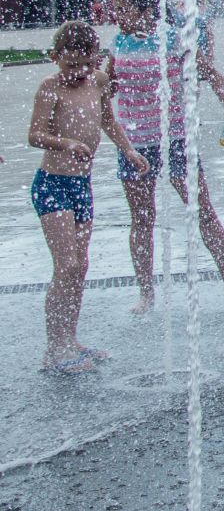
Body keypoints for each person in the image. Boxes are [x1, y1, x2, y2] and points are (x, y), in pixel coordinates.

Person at [105, 0, 224, 313]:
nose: (115, 15)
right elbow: (107, 91)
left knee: (203, 210)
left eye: (122, 8)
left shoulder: (174, 37)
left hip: (175, 140)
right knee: (142, 219)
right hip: (135, 145)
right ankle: (146, 293)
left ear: (146, 11)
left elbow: (210, 72)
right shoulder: (117, 44)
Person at [28, 23, 148, 375]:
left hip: (82, 186)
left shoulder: (97, 81)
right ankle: (55, 348)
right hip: (52, 183)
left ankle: (71, 339)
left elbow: (108, 120)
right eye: (70, 66)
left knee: (80, 267)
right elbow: (35, 134)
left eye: (85, 65)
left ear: (96, 59)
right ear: (55, 58)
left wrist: (129, 150)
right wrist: (67, 144)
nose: (77, 73)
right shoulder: (49, 89)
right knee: (65, 265)